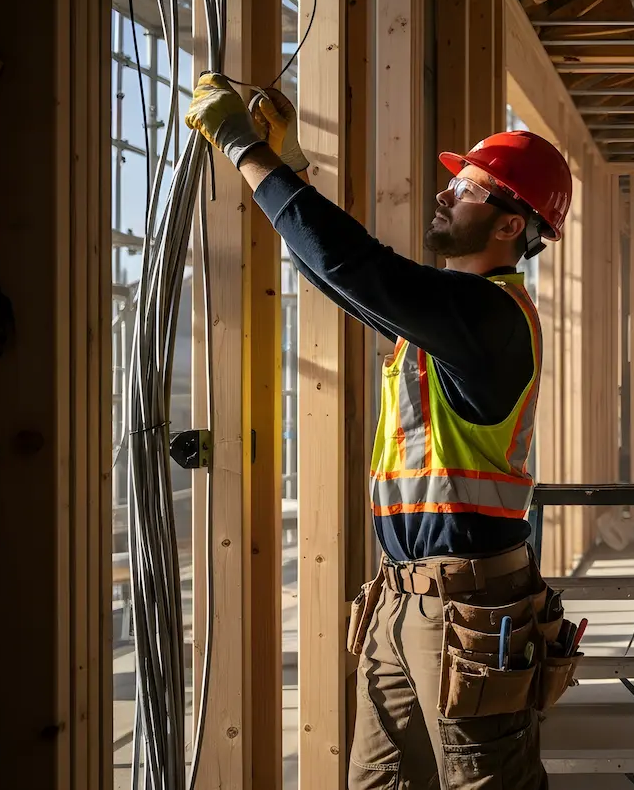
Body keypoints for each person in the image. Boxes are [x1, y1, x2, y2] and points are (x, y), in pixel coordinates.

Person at [185, 72, 578, 790]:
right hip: (403, 598)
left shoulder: (487, 317)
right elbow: (342, 278)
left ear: (509, 224)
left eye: (466, 186)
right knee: (378, 782)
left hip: (467, 601)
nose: (444, 193)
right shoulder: (447, 320)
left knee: (485, 782)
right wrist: (292, 170)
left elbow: (356, 267)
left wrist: (245, 148)